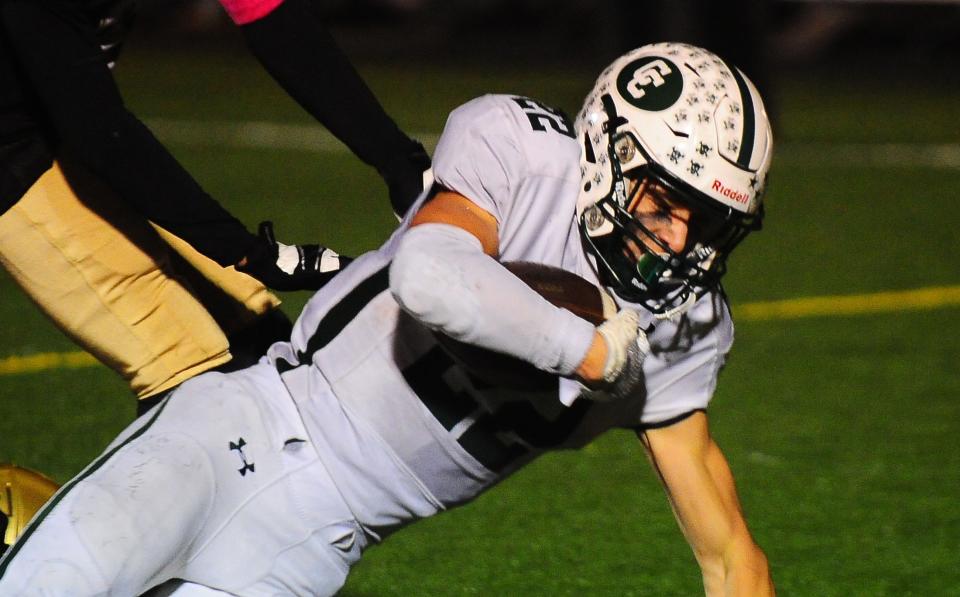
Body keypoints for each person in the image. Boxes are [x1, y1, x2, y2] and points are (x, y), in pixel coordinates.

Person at [0, 43, 776, 596]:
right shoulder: (525, 152)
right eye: (668, 202)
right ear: (610, 152)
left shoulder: (686, 328)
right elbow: (432, 275)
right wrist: (588, 353)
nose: (680, 240)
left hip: (315, 547)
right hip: (249, 423)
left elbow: (729, 553)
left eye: (709, 222)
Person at [0, 0, 429, 411]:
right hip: (16, 154)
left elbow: (270, 14)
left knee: (265, 350)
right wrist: (250, 252)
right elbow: (97, 129)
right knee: (187, 369)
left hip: (60, 122)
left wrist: (399, 163)